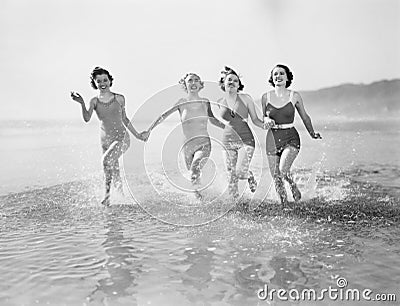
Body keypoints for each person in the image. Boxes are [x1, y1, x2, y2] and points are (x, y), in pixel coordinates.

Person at [70, 67, 148, 206]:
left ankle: (106, 196)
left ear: (110, 80)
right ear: (95, 83)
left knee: (106, 161)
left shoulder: (119, 98)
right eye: (98, 81)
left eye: (105, 80)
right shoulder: (94, 101)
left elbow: (125, 118)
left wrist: (137, 135)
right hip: (104, 140)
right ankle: (121, 198)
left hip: (121, 138)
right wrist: (81, 103)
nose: (102, 83)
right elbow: (87, 118)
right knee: (114, 169)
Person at [146, 72, 225, 198]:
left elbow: (213, 120)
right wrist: (149, 130)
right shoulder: (181, 103)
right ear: (185, 85)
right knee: (193, 174)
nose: (193, 83)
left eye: (196, 80)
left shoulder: (205, 102)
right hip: (187, 146)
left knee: (195, 166)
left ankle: (198, 198)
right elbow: (163, 116)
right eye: (190, 81)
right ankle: (202, 195)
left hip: (203, 143)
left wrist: (228, 128)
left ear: (200, 84)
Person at [261, 64, 322, 205]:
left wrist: (312, 133)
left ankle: (292, 184)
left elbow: (305, 117)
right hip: (272, 138)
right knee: (276, 176)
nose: (278, 76)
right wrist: (266, 120)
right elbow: (263, 118)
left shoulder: (294, 96)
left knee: (283, 170)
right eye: (275, 74)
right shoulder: (265, 97)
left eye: (282, 73)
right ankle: (284, 205)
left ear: (287, 77)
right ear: (272, 78)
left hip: (290, 137)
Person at [218, 66, 268, 199]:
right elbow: (220, 122)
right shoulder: (219, 102)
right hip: (227, 141)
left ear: (239, 85)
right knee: (231, 174)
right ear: (223, 83)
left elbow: (256, 120)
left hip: (246, 140)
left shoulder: (246, 98)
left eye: (235, 81)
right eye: (229, 80)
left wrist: (265, 125)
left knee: (240, 172)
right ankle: (235, 203)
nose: (232, 82)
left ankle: (249, 175)